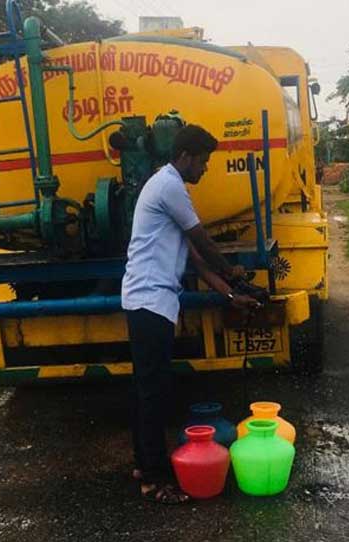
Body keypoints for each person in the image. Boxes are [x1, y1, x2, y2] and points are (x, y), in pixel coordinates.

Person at [121, 124, 259, 504]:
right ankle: (153, 479)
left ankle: (142, 464)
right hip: (150, 301)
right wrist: (232, 271)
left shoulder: (166, 188)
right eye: (204, 161)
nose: (206, 168)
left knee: (146, 390)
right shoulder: (169, 186)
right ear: (185, 156)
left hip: (149, 302)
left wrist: (231, 293)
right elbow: (203, 242)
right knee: (153, 394)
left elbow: (195, 259)